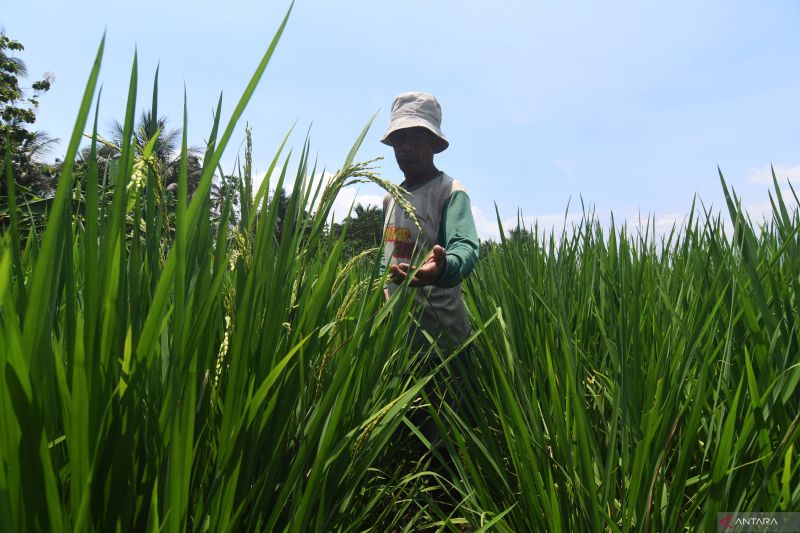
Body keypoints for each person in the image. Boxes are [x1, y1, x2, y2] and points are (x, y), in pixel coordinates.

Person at [381, 92, 480, 356]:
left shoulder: (449, 191)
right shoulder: (390, 198)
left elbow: (465, 245)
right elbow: (386, 256)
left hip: (443, 345)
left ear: (434, 142)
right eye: (399, 138)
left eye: (416, 136)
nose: (405, 146)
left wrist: (443, 268)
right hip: (398, 344)